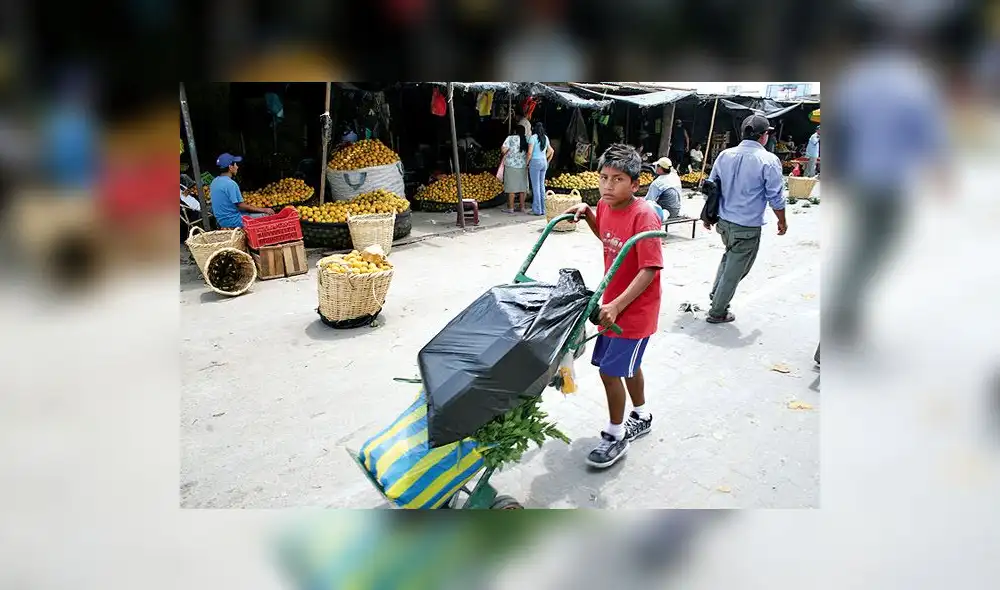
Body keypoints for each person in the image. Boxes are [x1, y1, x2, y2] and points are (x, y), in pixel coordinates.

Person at [563, 143, 664, 469]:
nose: (607, 185)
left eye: (617, 179)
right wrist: (589, 215)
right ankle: (642, 414)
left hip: (634, 310)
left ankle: (615, 434)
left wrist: (619, 305)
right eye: (604, 177)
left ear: (635, 184)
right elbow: (607, 238)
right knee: (626, 366)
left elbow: (650, 268)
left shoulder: (644, 215)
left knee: (610, 372)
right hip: (612, 304)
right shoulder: (606, 206)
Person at [704, 115, 787, 324]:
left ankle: (717, 295)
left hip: (724, 222)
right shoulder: (768, 160)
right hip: (747, 226)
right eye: (768, 133)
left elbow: (710, 188)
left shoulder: (725, 155)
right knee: (737, 268)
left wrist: (708, 215)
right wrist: (782, 220)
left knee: (729, 258)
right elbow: (775, 196)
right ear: (763, 135)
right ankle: (718, 310)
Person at [209, 153, 274, 229]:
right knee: (267, 216)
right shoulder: (231, 184)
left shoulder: (214, 182)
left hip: (221, 221)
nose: (237, 167)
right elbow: (241, 206)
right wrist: (264, 209)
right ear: (230, 167)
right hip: (234, 220)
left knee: (251, 212)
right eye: (235, 164)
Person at [526, 122, 555, 216]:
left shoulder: (533, 138)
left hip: (535, 163)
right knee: (542, 186)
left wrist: (526, 163)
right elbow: (551, 151)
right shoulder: (545, 138)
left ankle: (537, 210)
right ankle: (544, 209)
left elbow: (529, 153)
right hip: (543, 163)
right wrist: (547, 160)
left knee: (535, 187)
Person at [500, 127, 529, 213]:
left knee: (511, 188)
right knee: (522, 188)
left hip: (511, 165)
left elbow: (503, 150)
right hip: (523, 166)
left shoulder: (510, 138)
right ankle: (522, 207)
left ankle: (511, 208)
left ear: (515, 131)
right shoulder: (527, 139)